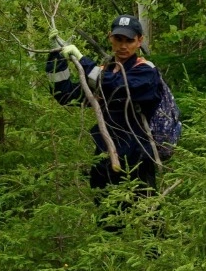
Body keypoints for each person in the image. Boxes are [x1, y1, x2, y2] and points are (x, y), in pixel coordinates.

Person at [46, 15, 161, 200]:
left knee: (145, 221)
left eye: (129, 40)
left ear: (140, 41)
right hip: (103, 158)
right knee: (106, 220)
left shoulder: (146, 71)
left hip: (137, 159)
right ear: (110, 37)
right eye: (118, 39)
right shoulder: (103, 72)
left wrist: (82, 59)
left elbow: (116, 85)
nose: (123, 45)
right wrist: (56, 58)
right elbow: (66, 95)